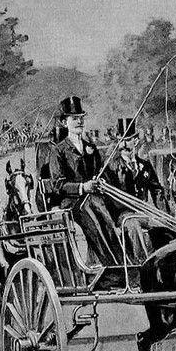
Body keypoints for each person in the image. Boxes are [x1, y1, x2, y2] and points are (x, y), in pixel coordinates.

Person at [42, 96, 124, 265]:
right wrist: (82, 187)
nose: (79, 122)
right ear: (65, 123)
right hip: (72, 203)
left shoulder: (90, 147)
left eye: (81, 118)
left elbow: (100, 172)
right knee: (92, 216)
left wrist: (100, 182)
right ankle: (111, 270)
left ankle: (123, 265)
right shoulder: (58, 151)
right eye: (74, 118)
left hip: (93, 199)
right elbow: (58, 185)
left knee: (107, 217)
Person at [107, 116, 164, 261]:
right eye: (122, 140)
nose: (124, 144)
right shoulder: (112, 167)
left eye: (128, 139)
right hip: (123, 215)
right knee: (134, 224)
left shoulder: (145, 165)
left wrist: (162, 212)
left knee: (162, 226)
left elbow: (157, 189)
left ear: (136, 141)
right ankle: (142, 264)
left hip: (143, 211)